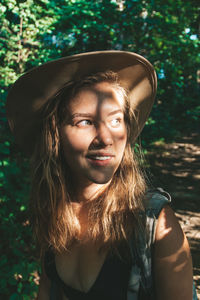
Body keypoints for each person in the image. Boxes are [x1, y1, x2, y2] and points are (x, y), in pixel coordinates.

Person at [6, 51, 195, 300]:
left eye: (116, 120)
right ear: (55, 135)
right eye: (84, 122)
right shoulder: (53, 214)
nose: (106, 138)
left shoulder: (154, 223)